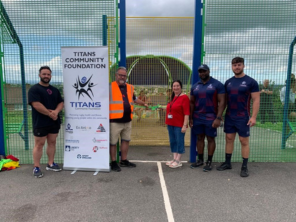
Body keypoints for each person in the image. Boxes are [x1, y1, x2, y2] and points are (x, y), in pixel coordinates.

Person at [216, 57, 260, 177]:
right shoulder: (228, 82)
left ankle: (244, 167)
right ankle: (227, 163)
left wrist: (254, 117)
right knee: (229, 139)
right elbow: (224, 101)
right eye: (234, 65)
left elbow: (256, 100)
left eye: (239, 65)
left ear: (243, 66)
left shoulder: (251, 82)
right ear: (232, 67)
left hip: (243, 117)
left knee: (243, 141)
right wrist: (220, 115)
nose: (237, 67)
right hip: (230, 116)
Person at [109, 67, 148, 172]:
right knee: (113, 142)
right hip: (115, 121)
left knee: (126, 140)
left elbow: (134, 99)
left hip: (127, 120)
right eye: (120, 75)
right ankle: (113, 162)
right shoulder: (110, 87)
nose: (122, 77)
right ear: (116, 75)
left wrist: (143, 103)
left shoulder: (130, 87)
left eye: (124, 76)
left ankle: (124, 160)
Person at [28, 66, 64, 178]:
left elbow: (61, 103)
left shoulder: (55, 90)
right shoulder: (34, 89)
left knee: (52, 142)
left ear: (51, 76)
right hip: (40, 122)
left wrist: (56, 112)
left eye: (48, 74)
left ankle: (50, 163)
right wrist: (50, 114)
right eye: (44, 74)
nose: (46, 76)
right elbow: (36, 104)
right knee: (39, 144)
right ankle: (36, 167)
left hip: (54, 122)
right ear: (39, 75)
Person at [189, 64, 225, 172]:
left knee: (210, 139)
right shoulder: (195, 86)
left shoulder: (217, 84)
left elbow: (222, 102)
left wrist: (218, 117)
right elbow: (191, 103)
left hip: (211, 117)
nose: (202, 73)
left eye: (204, 71)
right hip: (197, 117)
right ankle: (200, 160)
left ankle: (209, 162)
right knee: (200, 138)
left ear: (208, 71)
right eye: (200, 71)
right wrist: (191, 118)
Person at [165, 80, 190, 168]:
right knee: (173, 141)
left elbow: (186, 112)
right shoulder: (173, 97)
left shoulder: (184, 97)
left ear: (181, 87)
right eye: (174, 86)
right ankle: (174, 158)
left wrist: (184, 125)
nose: (175, 87)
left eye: (177, 86)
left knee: (179, 141)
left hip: (179, 124)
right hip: (170, 123)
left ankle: (178, 160)